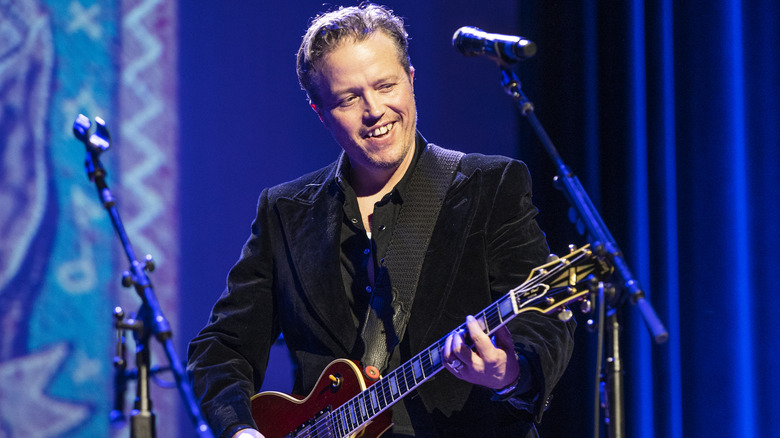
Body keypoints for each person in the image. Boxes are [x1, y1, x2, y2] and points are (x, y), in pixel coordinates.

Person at [187, 4, 575, 437]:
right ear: (320, 111)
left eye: (386, 85)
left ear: (410, 81)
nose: (374, 110)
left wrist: (509, 371)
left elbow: (541, 319)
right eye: (349, 98)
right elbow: (221, 348)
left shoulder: (489, 185)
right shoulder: (285, 212)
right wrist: (240, 429)